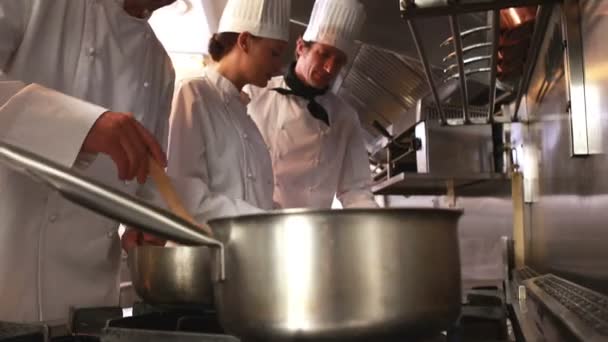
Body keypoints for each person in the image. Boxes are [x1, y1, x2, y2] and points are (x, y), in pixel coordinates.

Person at [0, 0, 175, 322]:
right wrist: (80, 126)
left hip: (91, 304)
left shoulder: (160, 65)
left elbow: (148, 168)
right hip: (8, 276)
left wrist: (146, 218)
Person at [163, 0, 291, 222]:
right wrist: (263, 221)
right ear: (245, 41)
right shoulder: (194, 94)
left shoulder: (246, 117)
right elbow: (186, 195)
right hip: (207, 252)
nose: (279, 66)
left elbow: (259, 200)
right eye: (274, 53)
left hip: (245, 250)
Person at [246, 0, 378, 209]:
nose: (329, 68)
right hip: (258, 224)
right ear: (301, 47)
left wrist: (375, 231)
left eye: (339, 60)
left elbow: (356, 190)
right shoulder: (253, 95)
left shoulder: (344, 116)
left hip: (315, 231)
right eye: (323, 53)